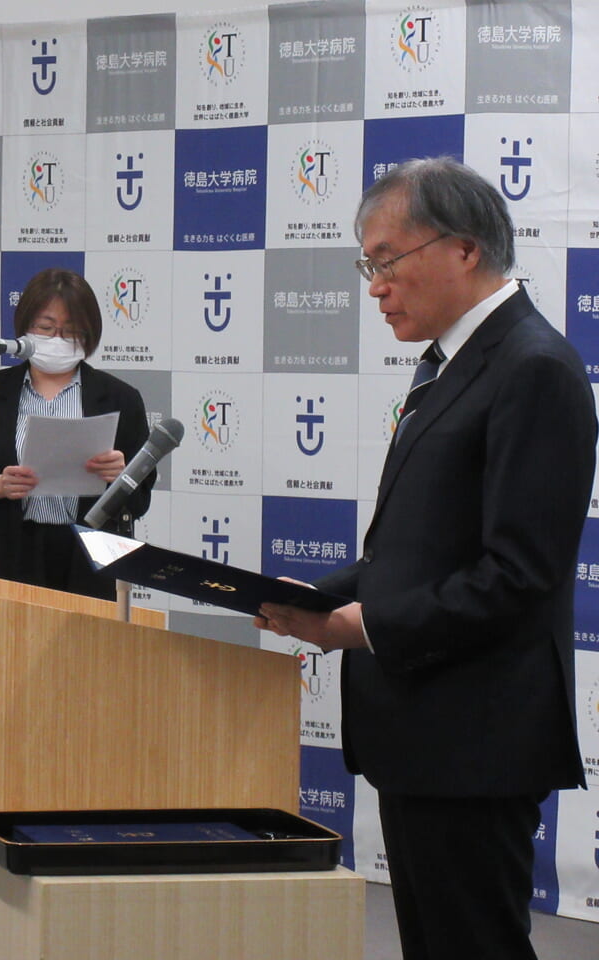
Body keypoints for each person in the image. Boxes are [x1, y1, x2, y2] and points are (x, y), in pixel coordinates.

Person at [255, 158, 595, 960]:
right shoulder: (449, 363)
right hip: (423, 731)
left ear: (463, 249)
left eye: (387, 260)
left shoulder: (534, 368)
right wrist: (313, 597)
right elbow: (419, 546)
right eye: (367, 266)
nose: (375, 287)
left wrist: (365, 626)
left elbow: (518, 573)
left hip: (476, 739)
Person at [0, 267, 153, 599]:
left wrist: (120, 477)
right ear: (25, 328)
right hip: (9, 556)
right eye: (46, 327)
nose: (57, 340)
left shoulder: (120, 398)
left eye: (71, 331)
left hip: (88, 562)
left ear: (90, 334)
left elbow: (139, 500)